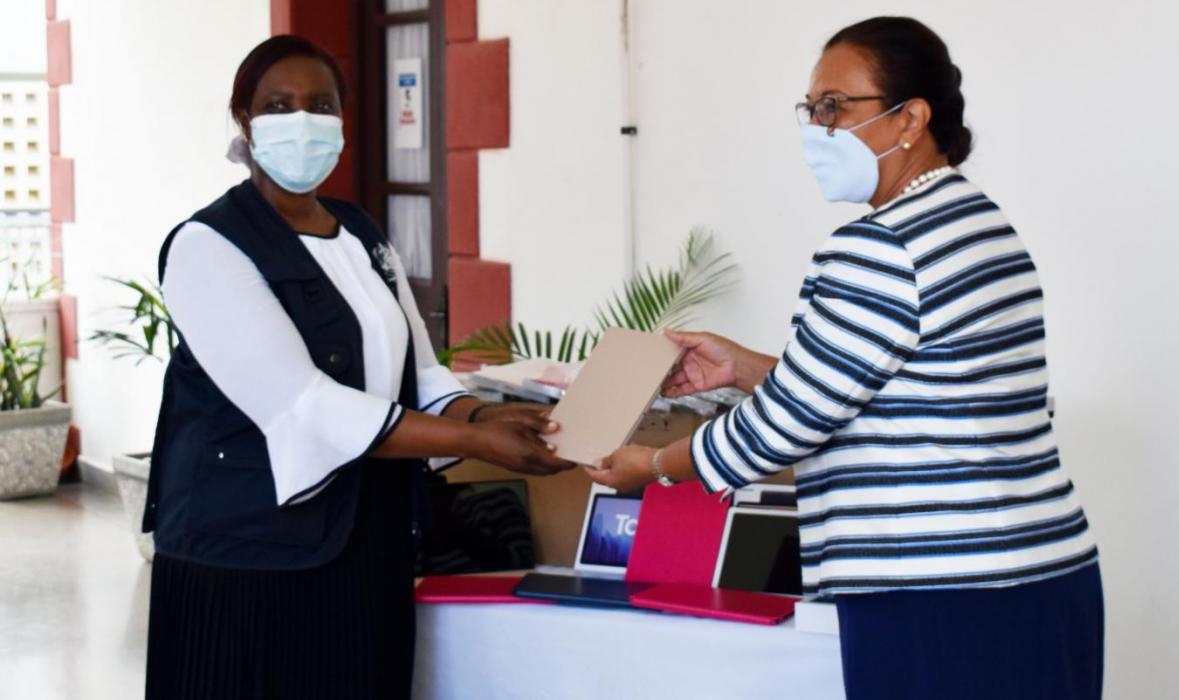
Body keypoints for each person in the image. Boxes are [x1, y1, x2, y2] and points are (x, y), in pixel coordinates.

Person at [590, 17, 1103, 700]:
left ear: (910, 119)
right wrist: (747, 367)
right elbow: (910, 388)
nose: (816, 128)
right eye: (810, 109)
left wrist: (652, 467)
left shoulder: (878, 247)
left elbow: (786, 428)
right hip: (1045, 577)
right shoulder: (981, 224)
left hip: (938, 596)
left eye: (834, 106)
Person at [142, 35, 572, 699]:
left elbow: (423, 376)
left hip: (365, 540)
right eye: (278, 106)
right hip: (245, 554)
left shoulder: (359, 231)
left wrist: (488, 413)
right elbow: (304, 404)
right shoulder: (209, 246)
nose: (303, 122)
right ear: (243, 121)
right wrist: (475, 439)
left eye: (321, 105)